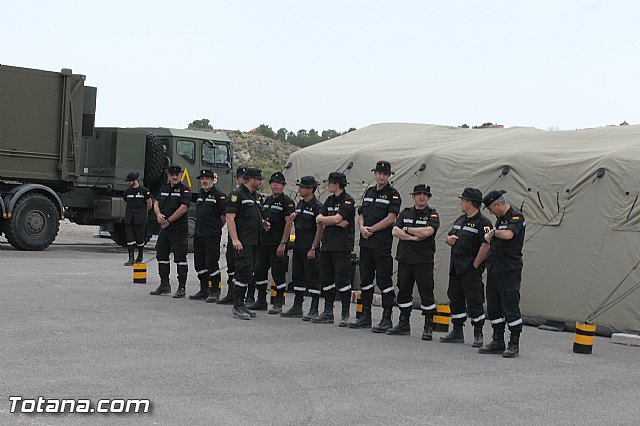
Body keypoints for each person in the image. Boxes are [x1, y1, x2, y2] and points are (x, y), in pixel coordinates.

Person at [350, 160, 402, 332]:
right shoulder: (369, 192)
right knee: (365, 280)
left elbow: (391, 218)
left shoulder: (393, 194)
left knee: (384, 281)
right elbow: (361, 213)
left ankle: (386, 318)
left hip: (381, 244)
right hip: (366, 243)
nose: (381, 177)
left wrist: (372, 229)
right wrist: (362, 227)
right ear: (374, 173)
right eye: (379, 173)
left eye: (385, 174)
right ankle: (365, 316)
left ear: (389, 175)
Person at [386, 184, 440, 340]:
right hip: (405, 259)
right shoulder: (405, 212)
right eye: (418, 194)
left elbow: (427, 232)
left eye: (425, 194)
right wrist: (412, 236)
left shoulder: (432, 214)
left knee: (426, 293)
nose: (422, 197)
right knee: (403, 291)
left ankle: (428, 326)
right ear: (413, 196)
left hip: (423, 261)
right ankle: (403, 323)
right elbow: (395, 230)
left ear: (429, 197)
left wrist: (408, 229)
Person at [440, 188, 492, 347]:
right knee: (455, 299)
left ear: (470, 203)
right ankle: (457, 331)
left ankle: (478, 333)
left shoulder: (483, 223)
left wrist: (475, 265)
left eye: (463, 201)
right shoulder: (460, 220)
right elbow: (451, 236)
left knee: (474, 300)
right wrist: (449, 240)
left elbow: (486, 244)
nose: (461, 203)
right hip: (456, 268)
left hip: (470, 269)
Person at [478, 190, 526, 358]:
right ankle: (498, 340)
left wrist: (492, 233)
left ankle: (514, 343)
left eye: (491, 209)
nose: (490, 212)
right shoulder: (500, 220)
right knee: (493, 305)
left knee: (510, 304)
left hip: (509, 270)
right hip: (494, 268)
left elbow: (509, 234)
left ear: (497, 204)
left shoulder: (516, 217)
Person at [247, 172, 295, 314]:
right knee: (260, 272)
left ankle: (278, 303)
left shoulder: (287, 202)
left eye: (279, 183)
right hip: (264, 243)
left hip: (277, 243)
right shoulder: (267, 201)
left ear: (283, 186)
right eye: (273, 182)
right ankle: (261, 301)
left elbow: (288, 224)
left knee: (278, 274)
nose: (275, 185)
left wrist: (283, 243)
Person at [311, 172, 355, 327]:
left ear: (337, 184)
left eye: (330, 183)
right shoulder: (329, 200)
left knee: (342, 279)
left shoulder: (348, 200)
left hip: (342, 247)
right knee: (326, 279)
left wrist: (331, 220)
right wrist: (334, 221)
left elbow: (335, 218)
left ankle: (345, 313)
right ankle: (328, 311)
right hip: (327, 245)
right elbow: (318, 219)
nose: (328, 185)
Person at [281, 176, 323, 320]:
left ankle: (314, 308)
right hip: (299, 245)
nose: (299, 189)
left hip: (310, 246)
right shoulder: (300, 204)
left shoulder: (317, 206)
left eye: (302, 187)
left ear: (310, 189)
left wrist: (313, 247)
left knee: (312, 278)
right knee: (297, 276)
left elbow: (320, 229)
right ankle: (297, 307)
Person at [225, 167, 264, 320]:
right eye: (259, 179)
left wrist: (263, 224)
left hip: (254, 240)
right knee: (243, 271)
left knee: (248, 272)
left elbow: (252, 216)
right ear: (251, 179)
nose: (261, 182)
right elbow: (230, 217)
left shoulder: (254, 196)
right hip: (243, 241)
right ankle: (238, 305)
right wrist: (235, 239)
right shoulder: (237, 195)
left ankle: (241, 304)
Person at [150, 164, 191, 297]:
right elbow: (156, 203)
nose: (174, 177)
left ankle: (182, 287)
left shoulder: (185, 190)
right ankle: (164, 285)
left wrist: (169, 221)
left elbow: (183, 208)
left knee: (180, 258)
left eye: (177, 175)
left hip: (178, 229)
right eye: (172, 174)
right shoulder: (164, 188)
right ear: (168, 175)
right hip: (164, 229)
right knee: (161, 255)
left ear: (180, 175)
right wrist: (158, 215)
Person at [189, 170, 227, 303]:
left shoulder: (219, 196)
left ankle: (215, 291)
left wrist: (216, 228)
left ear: (213, 180)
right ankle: (204, 289)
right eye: (203, 178)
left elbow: (223, 217)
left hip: (212, 234)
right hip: (199, 234)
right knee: (199, 263)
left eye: (207, 179)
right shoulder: (200, 194)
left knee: (211, 263)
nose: (204, 181)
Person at [217, 167, 246, 305]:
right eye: (240, 177)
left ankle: (243, 296)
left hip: (246, 237)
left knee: (244, 268)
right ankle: (231, 293)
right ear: (237, 178)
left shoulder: (254, 197)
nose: (242, 180)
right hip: (233, 237)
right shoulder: (234, 195)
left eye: (245, 177)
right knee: (231, 265)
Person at [122, 171, 152, 266]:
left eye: (130, 181)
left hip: (140, 218)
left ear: (135, 180)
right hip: (129, 218)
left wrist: (142, 213)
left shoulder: (144, 191)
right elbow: (125, 204)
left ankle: (140, 255)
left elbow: (149, 204)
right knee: (130, 238)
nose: (129, 183)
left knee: (139, 238)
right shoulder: (127, 192)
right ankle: (131, 258)